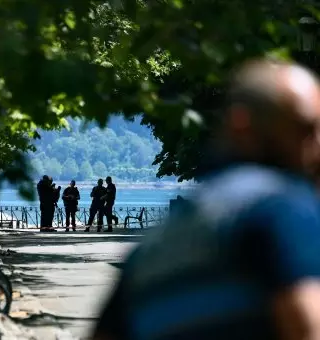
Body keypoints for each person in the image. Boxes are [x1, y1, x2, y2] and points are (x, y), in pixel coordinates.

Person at [93, 60, 320, 340]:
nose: (317, 146)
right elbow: (308, 327)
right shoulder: (279, 207)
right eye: (304, 129)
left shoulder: (154, 244)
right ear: (242, 126)